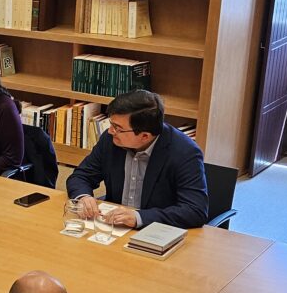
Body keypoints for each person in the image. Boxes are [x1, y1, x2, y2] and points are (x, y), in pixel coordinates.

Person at [66, 90, 209, 229]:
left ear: (145, 136)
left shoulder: (184, 152)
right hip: (112, 228)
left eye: (118, 128)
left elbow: (194, 210)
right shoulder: (110, 140)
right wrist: (84, 197)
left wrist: (139, 217)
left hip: (156, 232)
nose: (110, 131)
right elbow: (80, 176)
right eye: (112, 124)